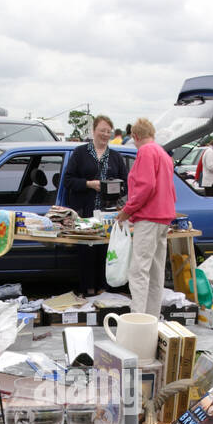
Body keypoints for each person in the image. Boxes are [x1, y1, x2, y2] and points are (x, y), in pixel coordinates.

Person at [115, 118, 176, 318]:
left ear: (135, 136)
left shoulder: (146, 151)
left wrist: (127, 210)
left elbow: (145, 186)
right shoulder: (163, 154)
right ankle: (152, 318)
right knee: (156, 272)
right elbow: (169, 189)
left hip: (149, 218)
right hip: (163, 217)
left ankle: (138, 319)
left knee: (139, 271)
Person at [63, 114, 128, 295]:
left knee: (106, 252)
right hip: (85, 213)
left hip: (109, 214)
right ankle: (87, 290)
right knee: (86, 252)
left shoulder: (116, 156)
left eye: (108, 131)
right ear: (94, 131)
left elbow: (126, 184)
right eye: (102, 130)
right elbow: (68, 181)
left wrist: (114, 188)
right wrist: (89, 184)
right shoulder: (80, 153)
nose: (105, 134)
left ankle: (103, 291)